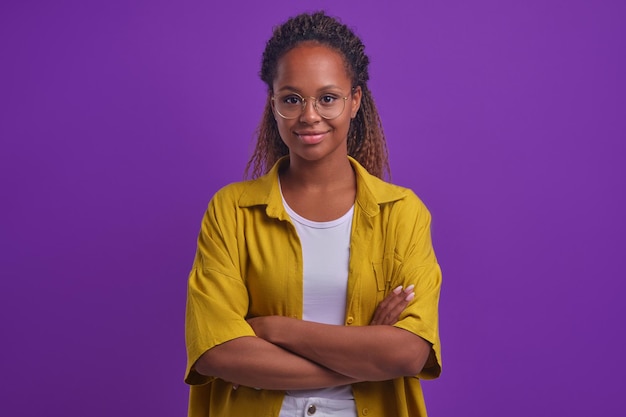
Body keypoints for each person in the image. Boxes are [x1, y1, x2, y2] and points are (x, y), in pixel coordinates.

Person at [185, 11, 442, 417]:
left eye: (327, 98)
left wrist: (274, 329)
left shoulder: (403, 213)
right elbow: (217, 352)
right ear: (273, 103)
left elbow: (409, 353)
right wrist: (367, 348)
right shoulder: (231, 211)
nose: (308, 115)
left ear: (354, 100)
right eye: (291, 99)